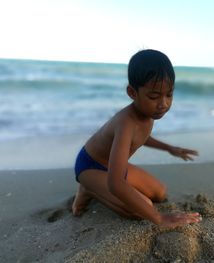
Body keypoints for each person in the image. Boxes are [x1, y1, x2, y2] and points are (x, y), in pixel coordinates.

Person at [72, 49, 202, 228]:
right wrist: (159, 219)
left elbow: (142, 137)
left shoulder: (147, 115)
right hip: (90, 166)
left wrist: (169, 148)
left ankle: (93, 187)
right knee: (141, 209)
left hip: (113, 166)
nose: (163, 103)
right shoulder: (126, 122)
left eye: (169, 94)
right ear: (132, 93)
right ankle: (87, 188)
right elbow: (115, 183)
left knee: (160, 193)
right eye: (154, 96)